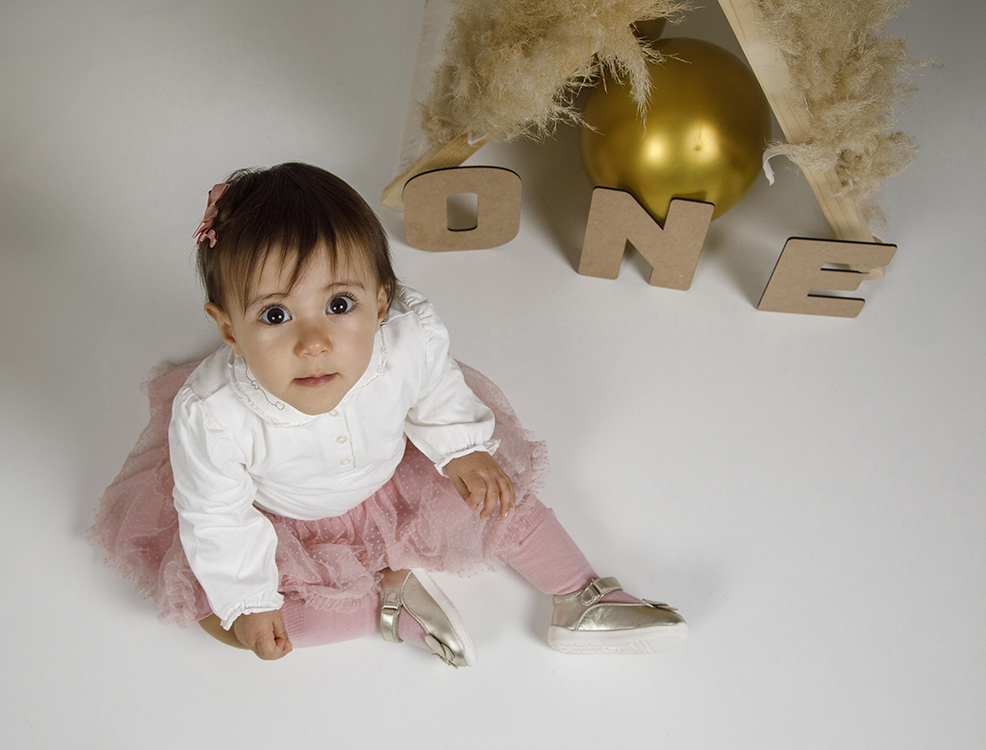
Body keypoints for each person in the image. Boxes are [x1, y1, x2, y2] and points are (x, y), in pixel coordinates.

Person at [89, 162, 688, 665]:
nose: (314, 341)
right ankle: (380, 609)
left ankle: (579, 594)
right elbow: (217, 518)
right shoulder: (215, 415)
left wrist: (461, 448)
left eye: (339, 304)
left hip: (391, 474)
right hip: (282, 517)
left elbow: (432, 388)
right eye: (275, 315)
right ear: (228, 328)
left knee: (496, 493)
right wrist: (250, 601)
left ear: (380, 303)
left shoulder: (404, 339)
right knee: (219, 613)